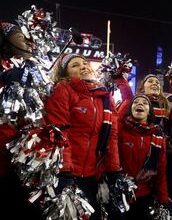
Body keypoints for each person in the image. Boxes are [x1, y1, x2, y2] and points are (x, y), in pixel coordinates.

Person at [45, 53, 121, 220]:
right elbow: (59, 130)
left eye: (85, 63)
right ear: (65, 73)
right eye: (75, 65)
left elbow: (112, 136)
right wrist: (65, 170)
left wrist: (114, 170)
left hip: (93, 176)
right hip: (66, 175)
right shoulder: (63, 89)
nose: (83, 67)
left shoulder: (104, 96)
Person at [0, 20, 42, 220]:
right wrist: (0, 79)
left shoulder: (24, 69)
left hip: (13, 167)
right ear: (3, 40)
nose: (26, 41)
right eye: (19, 37)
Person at [117, 94, 169, 219]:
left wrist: (164, 198)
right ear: (130, 109)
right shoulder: (120, 130)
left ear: (149, 112)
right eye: (136, 102)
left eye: (145, 103)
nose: (140, 104)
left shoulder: (157, 136)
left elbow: (161, 170)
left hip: (145, 195)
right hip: (120, 195)